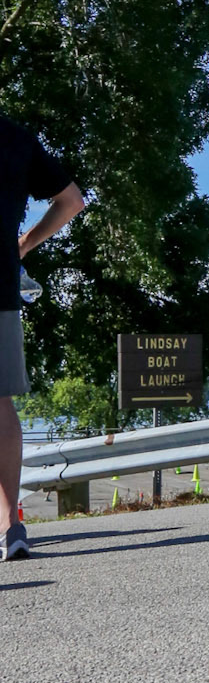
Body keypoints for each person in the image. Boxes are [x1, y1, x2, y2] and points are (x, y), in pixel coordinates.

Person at [0, 112, 85, 560]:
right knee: (1, 404)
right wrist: (23, 246)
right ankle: (8, 525)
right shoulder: (14, 138)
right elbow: (71, 201)